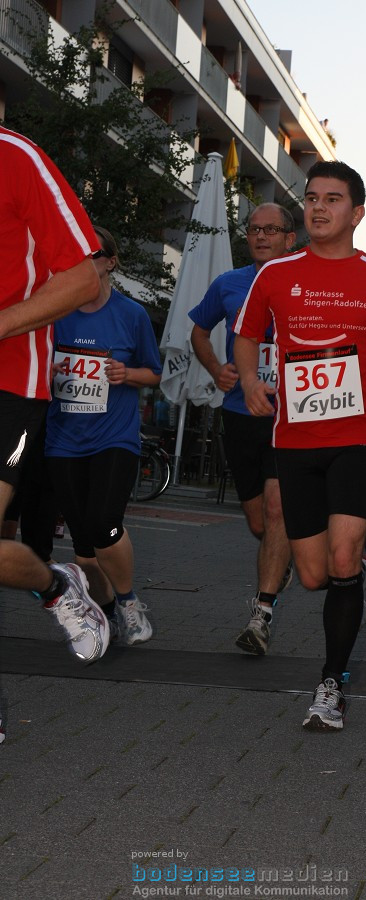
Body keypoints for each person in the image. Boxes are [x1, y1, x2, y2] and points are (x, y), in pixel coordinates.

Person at [234, 161, 366, 731]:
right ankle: (350, 579)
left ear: (357, 213)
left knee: (343, 560)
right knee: (315, 575)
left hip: (357, 435)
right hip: (294, 439)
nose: (318, 207)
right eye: (312, 198)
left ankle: (330, 684)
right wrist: (249, 378)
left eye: (333, 199)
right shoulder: (275, 275)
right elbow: (247, 337)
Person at [0, 125, 110, 672]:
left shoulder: (15, 157)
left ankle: (54, 584)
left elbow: (83, 279)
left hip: (11, 381)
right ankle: (54, 583)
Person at [188, 203, 296, 656]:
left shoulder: (305, 284)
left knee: (276, 510)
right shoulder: (228, 284)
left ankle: (261, 614)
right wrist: (217, 368)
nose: (261, 236)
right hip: (239, 414)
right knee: (260, 521)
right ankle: (283, 555)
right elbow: (198, 330)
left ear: (291, 238)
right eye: (254, 229)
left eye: (271, 229)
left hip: (289, 419)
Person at [45, 226, 161, 645]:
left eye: (91, 255)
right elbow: (32, 368)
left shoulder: (131, 315)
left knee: (105, 523)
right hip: (63, 439)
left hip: (114, 437)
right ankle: (107, 613)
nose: (83, 263)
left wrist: (127, 374)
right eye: (75, 255)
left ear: (110, 262)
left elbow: (155, 372)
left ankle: (129, 602)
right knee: (82, 542)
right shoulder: (54, 312)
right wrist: (50, 372)